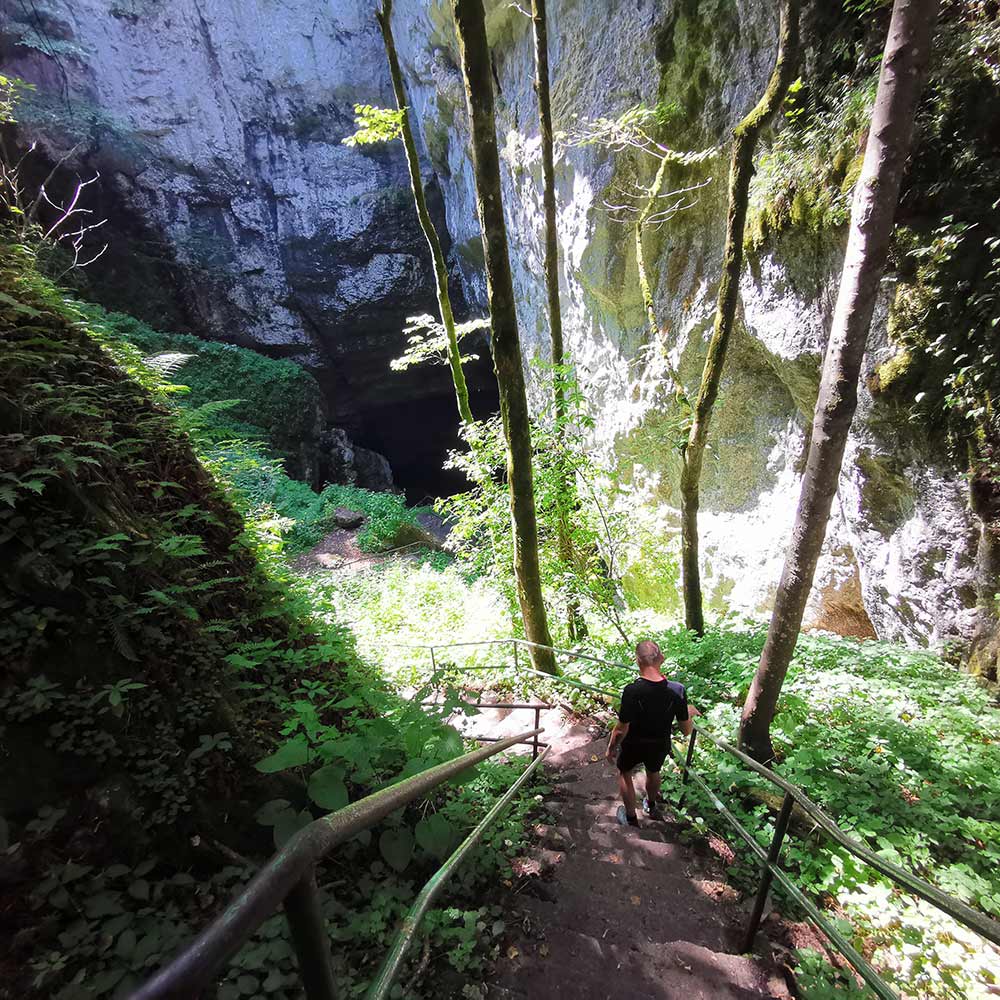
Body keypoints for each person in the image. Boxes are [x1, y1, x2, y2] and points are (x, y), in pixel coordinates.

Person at [605, 640, 697, 827]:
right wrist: (688, 712)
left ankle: (630, 818)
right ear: (661, 658)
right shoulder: (677, 690)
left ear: (637, 661)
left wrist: (611, 748)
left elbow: (621, 728)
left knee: (624, 772)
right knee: (654, 771)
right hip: (659, 743)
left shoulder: (632, 691)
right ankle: (651, 804)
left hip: (634, 744)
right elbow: (687, 730)